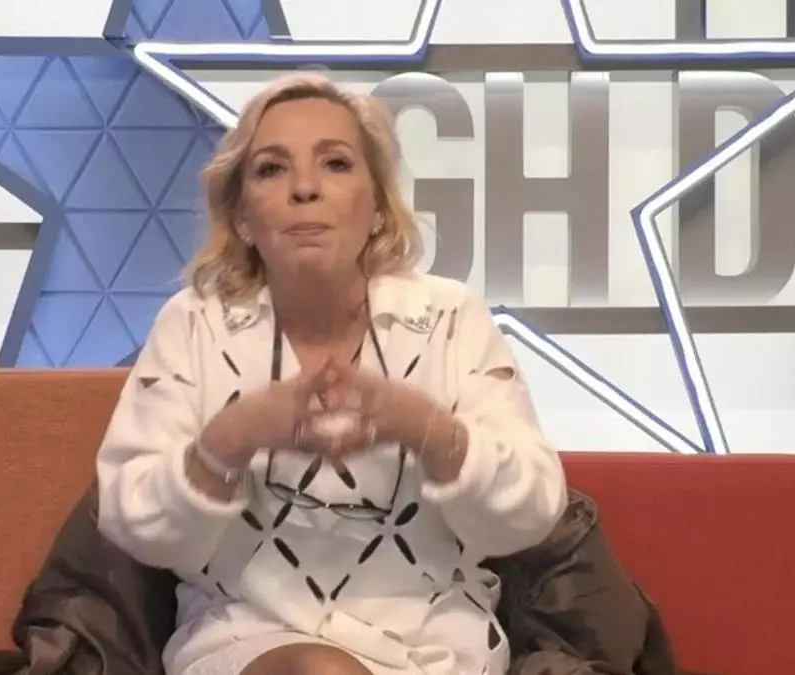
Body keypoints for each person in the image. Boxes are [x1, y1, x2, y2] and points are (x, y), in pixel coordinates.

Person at [95, 72, 568, 675]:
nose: (304, 188)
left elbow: (530, 513)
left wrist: (425, 428)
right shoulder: (194, 324)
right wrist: (231, 437)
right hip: (247, 638)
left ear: (377, 207)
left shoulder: (449, 318)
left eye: (336, 163)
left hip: (432, 648)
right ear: (241, 216)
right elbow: (135, 526)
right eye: (271, 169)